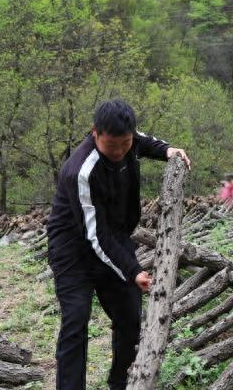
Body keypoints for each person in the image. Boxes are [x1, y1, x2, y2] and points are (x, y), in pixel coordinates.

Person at [46, 98, 191, 390]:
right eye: (112, 146)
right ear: (95, 133)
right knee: (75, 321)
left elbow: (146, 143)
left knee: (129, 315)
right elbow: (95, 236)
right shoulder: (81, 171)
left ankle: (121, 383)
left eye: (125, 144)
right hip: (73, 250)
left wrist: (168, 151)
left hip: (113, 237)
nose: (120, 151)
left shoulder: (129, 140)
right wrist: (132, 270)